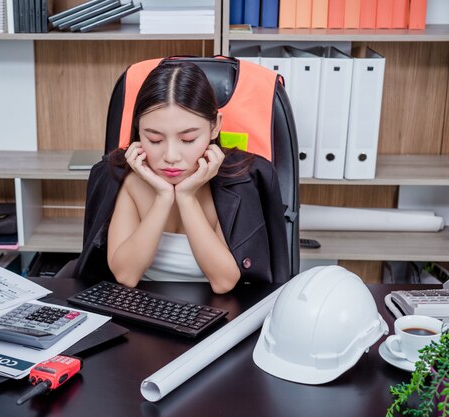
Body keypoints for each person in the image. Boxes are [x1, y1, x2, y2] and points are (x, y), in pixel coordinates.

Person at [74, 61, 289, 293]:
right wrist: (163, 198)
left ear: (215, 126)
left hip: (215, 313)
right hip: (143, 309)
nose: (171, 156)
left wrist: (186, 197)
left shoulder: (243, 180)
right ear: (138, 130)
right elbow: (126, 275)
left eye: (188, 140)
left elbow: (224, 282)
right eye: (154, 140)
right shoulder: (125, 178)